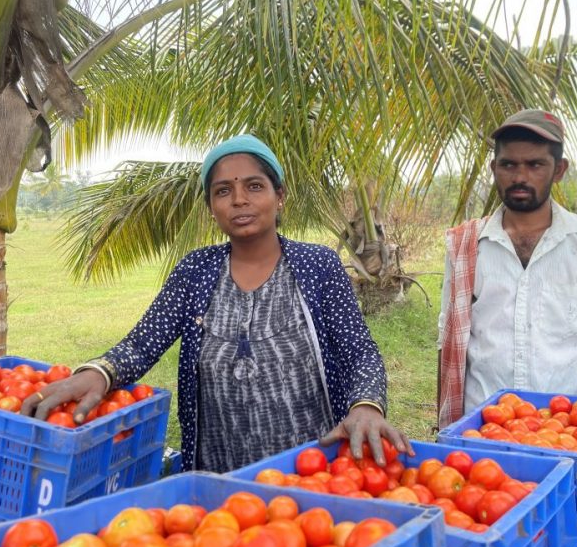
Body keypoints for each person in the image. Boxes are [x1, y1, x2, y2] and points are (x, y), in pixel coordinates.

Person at [22, 134, 413, 472]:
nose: (239, 199)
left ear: (280, 196)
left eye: (255, 186)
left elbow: (358, 350)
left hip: (310, 469)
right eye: (223, 191)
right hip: (220, 482)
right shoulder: (196, 270)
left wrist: (367, 406)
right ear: (212, 208)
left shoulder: (317, 266)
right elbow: (142, 343)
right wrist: (98, 373)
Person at [436, 109, 577, 429]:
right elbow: (449, 340)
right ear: (494, 168)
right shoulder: (466, 246)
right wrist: (449, 422)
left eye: (535, 165)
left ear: (559, 169)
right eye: (509, 165)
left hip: (566, 426)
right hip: (483, 425)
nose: (520, 177)